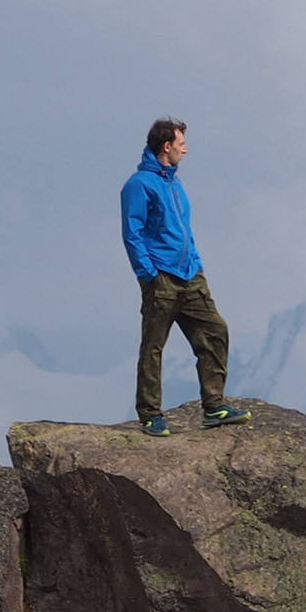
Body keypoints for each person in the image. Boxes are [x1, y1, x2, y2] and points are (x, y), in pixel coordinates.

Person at [121, 118, 251, 436]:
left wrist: (195, 261)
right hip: (161, 278)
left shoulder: (174, 183)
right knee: (153, 346)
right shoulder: (140, 184)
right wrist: (148, 274)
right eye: (181, 144)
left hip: (191, 275)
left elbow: (183, 229)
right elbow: (132, 232)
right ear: (166, 146)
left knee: (215, 330)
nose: (185, 150)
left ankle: (214, 405)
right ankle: (151, 414)